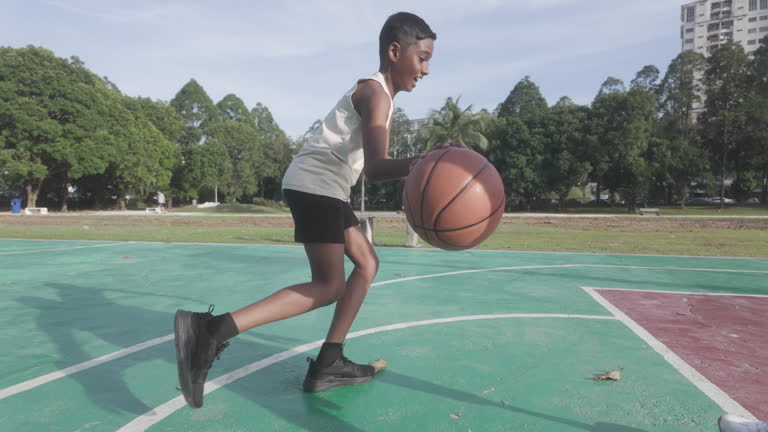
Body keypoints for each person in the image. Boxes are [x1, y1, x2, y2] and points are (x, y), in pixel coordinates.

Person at [173, 12, 437, 408]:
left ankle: (330, 361)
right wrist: (432, 161)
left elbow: (371, 168)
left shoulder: (379, 96)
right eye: (423, 58)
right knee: (329, 285)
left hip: (327, 187)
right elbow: (380, 166)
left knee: (366, 263)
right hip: (317, 186)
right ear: (395, 51)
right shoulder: (375, 94)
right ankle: (211, 330)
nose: (426, 70)